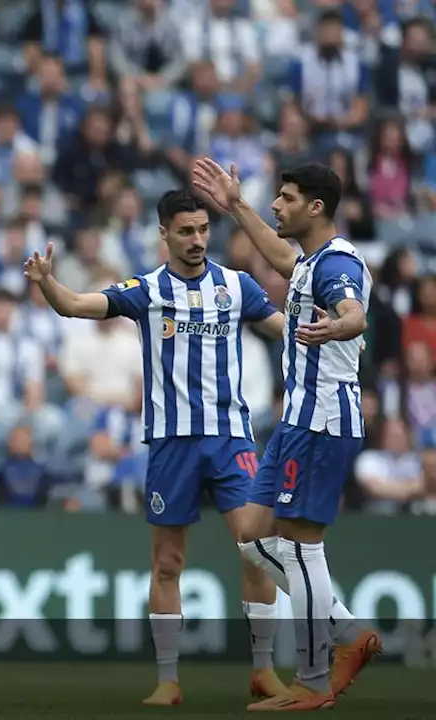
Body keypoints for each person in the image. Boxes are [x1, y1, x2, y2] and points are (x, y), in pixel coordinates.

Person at [24, 189, 290, 707]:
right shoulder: (146, 290)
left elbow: (286, 327)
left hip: (230, 436)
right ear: (163, 233)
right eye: (185, 231)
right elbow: (79, 306)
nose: (196, 240)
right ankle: (168, 679)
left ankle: (263, 671)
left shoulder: (236, 287)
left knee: (255, 547)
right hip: (170, 442)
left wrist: (327, 328)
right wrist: (48, 283)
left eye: (203, 230)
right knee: (168, 562)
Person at [194, 160, 381, 710]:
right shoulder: (310, 261)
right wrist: (235, 203)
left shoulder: (338, 263)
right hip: (296, 421)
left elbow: (353, 312)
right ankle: (349, 632)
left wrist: (340, 324)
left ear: (315, 207)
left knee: (302, 547)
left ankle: (315, 680)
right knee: (252, 536)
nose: (276, 204)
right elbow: (283, 260)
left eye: (285, 197)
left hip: (321, 421)